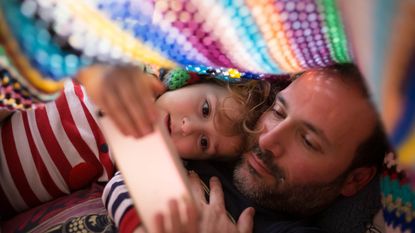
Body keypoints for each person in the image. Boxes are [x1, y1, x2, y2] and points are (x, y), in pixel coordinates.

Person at [101, 63, 390, 233]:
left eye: (308, 141)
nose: (266, 140)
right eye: (278, 111)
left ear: (355, 180)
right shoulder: (213, 148)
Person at [0, 64, 275, 219]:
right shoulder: (130, 68)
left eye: (204, 143)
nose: (188, 127)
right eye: (205, 109)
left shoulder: (150, 154)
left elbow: (124, 193)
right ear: (188, 82)